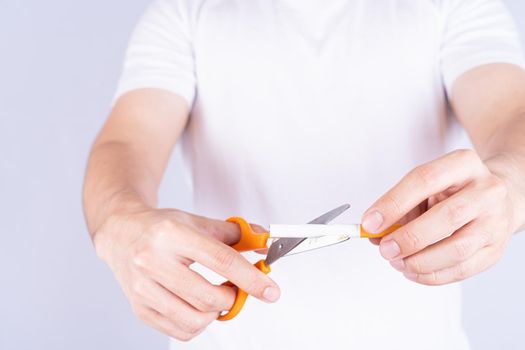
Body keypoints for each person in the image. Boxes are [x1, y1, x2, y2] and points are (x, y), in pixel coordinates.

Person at [83, 0, 525, 349]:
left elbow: (513, 114)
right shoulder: (186, 11)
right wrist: (119, 221)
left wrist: (507, 186)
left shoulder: (454, 5)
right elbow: (126, 142)